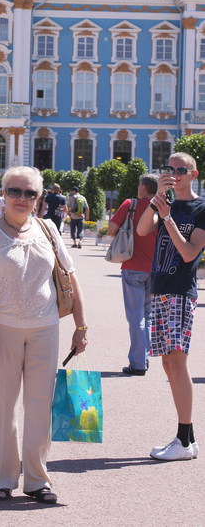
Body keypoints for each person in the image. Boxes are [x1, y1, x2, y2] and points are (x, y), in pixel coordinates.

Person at [0, 166, 88, 503]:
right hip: (0, 329)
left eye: (30, 193)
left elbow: (70, 278)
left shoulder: (48, 230)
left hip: (45, 328)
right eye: (15, 192)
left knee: (40, 407)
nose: (22, 198)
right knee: (3, 405)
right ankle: (2, 478)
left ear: (39, 198)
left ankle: (36, 479)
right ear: (3, 195)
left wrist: (81, 326)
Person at [137, 152, 205, 461]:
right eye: (170, 168)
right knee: (167, 363)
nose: (174, 173)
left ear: (194, 174)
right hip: (161, 289)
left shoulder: (200, 208)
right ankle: (187, 439)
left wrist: (168, 218)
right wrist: (157, 201)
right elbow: (141, 230)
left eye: (180, 169)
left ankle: (184, 439)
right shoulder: (164, 202)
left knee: (177, 363)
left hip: (180, 291)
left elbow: (190, 253)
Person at [108, 174, 158, 375]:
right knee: (147, 314)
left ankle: (138, 363)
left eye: (139, 185)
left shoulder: (131, 204)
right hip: (155, 269)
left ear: (144, 188)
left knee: (135, 316)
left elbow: (111, 230)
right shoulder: (162, 207)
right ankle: (144, 357)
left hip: (133, 265)